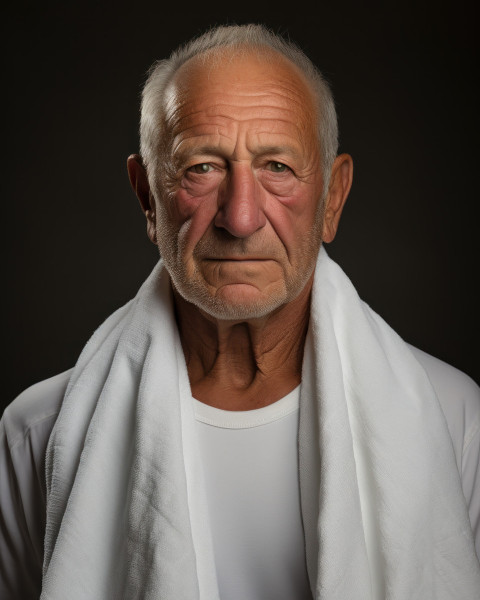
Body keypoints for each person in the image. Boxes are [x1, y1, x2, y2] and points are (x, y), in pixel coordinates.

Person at [1, 24, 479, 600]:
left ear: (332, 198)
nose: (242, 217)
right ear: (147, 198)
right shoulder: (38, 435)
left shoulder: (453, 421)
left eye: (277, 166)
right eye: (202, 167)